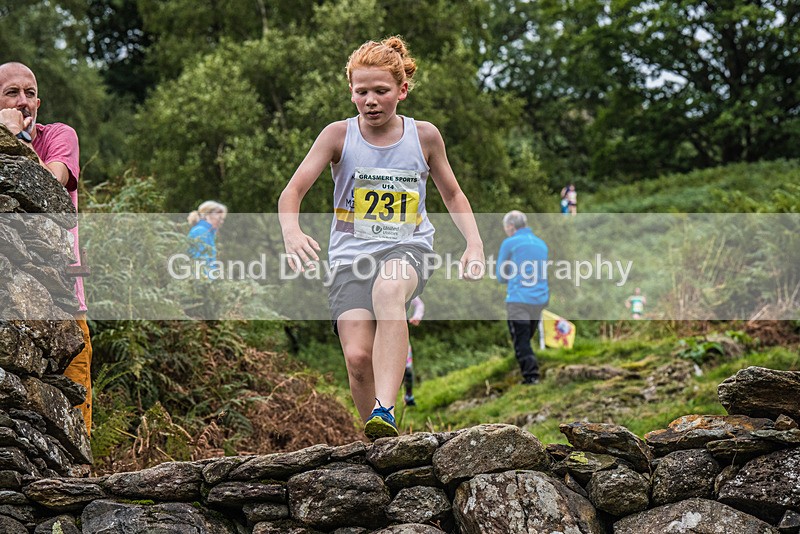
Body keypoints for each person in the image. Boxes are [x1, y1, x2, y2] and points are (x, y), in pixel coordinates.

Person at [278, 37, 484, 440]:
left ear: (402, 90)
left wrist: (473, 243)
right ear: (351, 92)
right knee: (357, 358)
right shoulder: (337, 136)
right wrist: (291, 231)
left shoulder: (424, 137)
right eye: (361, 91)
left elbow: (453, 194)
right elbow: (293, 191)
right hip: (350, 257)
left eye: (381, 91)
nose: (370, 100)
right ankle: (377, 439)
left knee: (389, 290)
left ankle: (386, 410)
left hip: (408, 248)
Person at [0, 62, 92, 434]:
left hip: (66, 296)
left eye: (30, 93)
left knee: (74, 409)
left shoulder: (58, 136)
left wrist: (16, 138)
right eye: (12, 93)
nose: (24, 102)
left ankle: (81, 486)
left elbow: (51, 189)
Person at [496, 210, 549, 385]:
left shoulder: (509, 243)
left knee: (520, 339)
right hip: (540, 298)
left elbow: (501, 275)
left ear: (511, 226)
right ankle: (530, 366)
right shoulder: (542, 244)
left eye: (506, 227)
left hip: (518, 298)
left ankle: (531, 376)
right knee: (526, 337)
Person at [187, 200, 227, 266]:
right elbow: (201, 263)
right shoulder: (200, 232)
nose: (221, 222)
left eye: (222, 219)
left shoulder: (209, 233)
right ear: (207, 215)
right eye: (219, 218)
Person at [404, 296, 424, 406]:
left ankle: (409, 396)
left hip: (400, 336)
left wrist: (417, 316)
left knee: (408, 369)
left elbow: (419, 304)